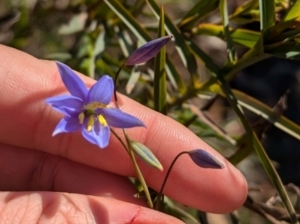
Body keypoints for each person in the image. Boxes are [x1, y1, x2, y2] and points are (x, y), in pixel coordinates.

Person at [0, 44, 247, 223]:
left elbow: (111, 107)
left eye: (96, 108)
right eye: (92, 110)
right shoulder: (78, 114)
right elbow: (67, 117)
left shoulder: (105, 110)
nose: (93, 113)